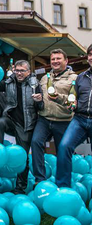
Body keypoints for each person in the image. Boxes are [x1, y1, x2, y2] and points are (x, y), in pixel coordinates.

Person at [0, 59, 44, 194]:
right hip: (11, 120)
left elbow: (41, 107)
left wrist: (39, 101)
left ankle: (20, 187)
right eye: (17, 70)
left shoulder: (34, 85)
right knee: (0, 122)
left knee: (22, 156)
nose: (19, 73)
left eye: (22, 71)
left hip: (26, 125)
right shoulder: (9, 82)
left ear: (28, 72)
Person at [31, 49, 77, 186]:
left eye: (58, 58)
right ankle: (40, 179)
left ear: (66, 61)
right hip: (44, 119)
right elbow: (41, 96)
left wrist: (60, 99)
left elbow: (74, 100)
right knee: (36, 142)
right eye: (53, 59)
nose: (55, 61)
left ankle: (62, 183)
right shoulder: (45, 78)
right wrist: (39, 99)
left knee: (62, 151)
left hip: (63, 121)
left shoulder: (74, 78)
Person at [56, 44, 92, 187]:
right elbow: (74, 97)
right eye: (89, 54)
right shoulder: (81, 77)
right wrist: (73, 103)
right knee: (64, 147)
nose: (91, 57)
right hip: (80, 119)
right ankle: (63, 188)